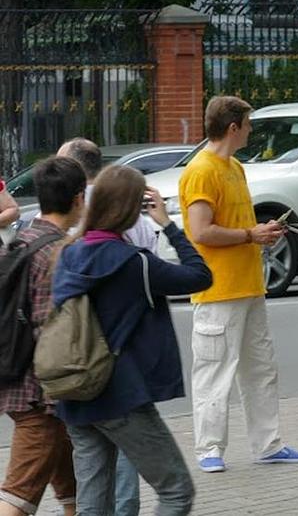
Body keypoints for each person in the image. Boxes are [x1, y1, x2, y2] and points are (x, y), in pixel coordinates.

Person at [53, 166, 213, 516]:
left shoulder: (69, 254)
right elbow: (200, 276)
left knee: (93, 505)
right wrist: (169, 224)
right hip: (119, 395)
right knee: (176, 492)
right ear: (130, 209)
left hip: (74, 390)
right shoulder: (135, 263)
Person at [178, 96, 298, 472]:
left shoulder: (233, 167)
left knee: (260, 370)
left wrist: (260, 233)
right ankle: (209, 449)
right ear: (233, 127)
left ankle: (268, 444)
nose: (252, 131)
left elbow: (236, 226)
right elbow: (202, 231)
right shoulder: (202, 170)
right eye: (248, 124)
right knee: (214, 371)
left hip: (249, 286)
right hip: (218, 289)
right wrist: (251, 235)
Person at [57, 137, 158, 516]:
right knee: (126, 454)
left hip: (82, 358)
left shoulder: (76, 212)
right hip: (128, 356)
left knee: (91, 464)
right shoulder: (139, 221)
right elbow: (167, 277)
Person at [0, 157, 86, 516]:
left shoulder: (20, 242)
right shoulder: (60, 253)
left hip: (17, 381)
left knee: (70, 482)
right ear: (79, 199)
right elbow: (52, 332)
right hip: (42, 396)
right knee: (17, 497)